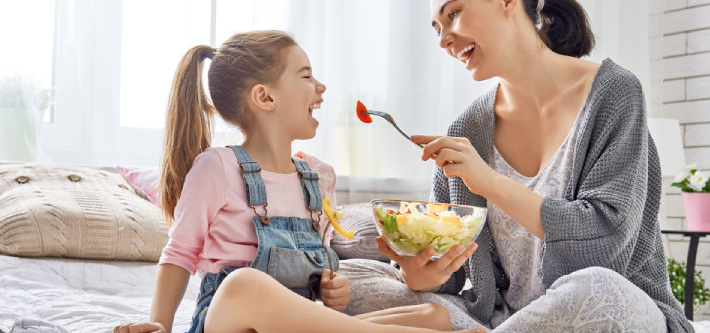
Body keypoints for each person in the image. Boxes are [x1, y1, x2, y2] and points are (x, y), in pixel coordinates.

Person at [342, 0, 693, 333]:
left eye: (453, 14)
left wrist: (489, 182)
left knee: (598, 289)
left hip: (610, 309)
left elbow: (605, 241)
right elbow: (452, 276)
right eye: (437, 28)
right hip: (501, 321)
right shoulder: (466, 129)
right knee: (352, 279)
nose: (444, 39)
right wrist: (419, 274)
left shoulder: (614, 93)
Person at [112, 31, 484, 333]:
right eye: (306, 75)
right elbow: (178, 254)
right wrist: (159, 323)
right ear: (265, 96)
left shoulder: (318, 177)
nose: (320, 87)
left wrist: (332, 290)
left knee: (434, 317)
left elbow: (317, 287)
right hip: (230, 322)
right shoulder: (218, 167)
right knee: (243, 284)